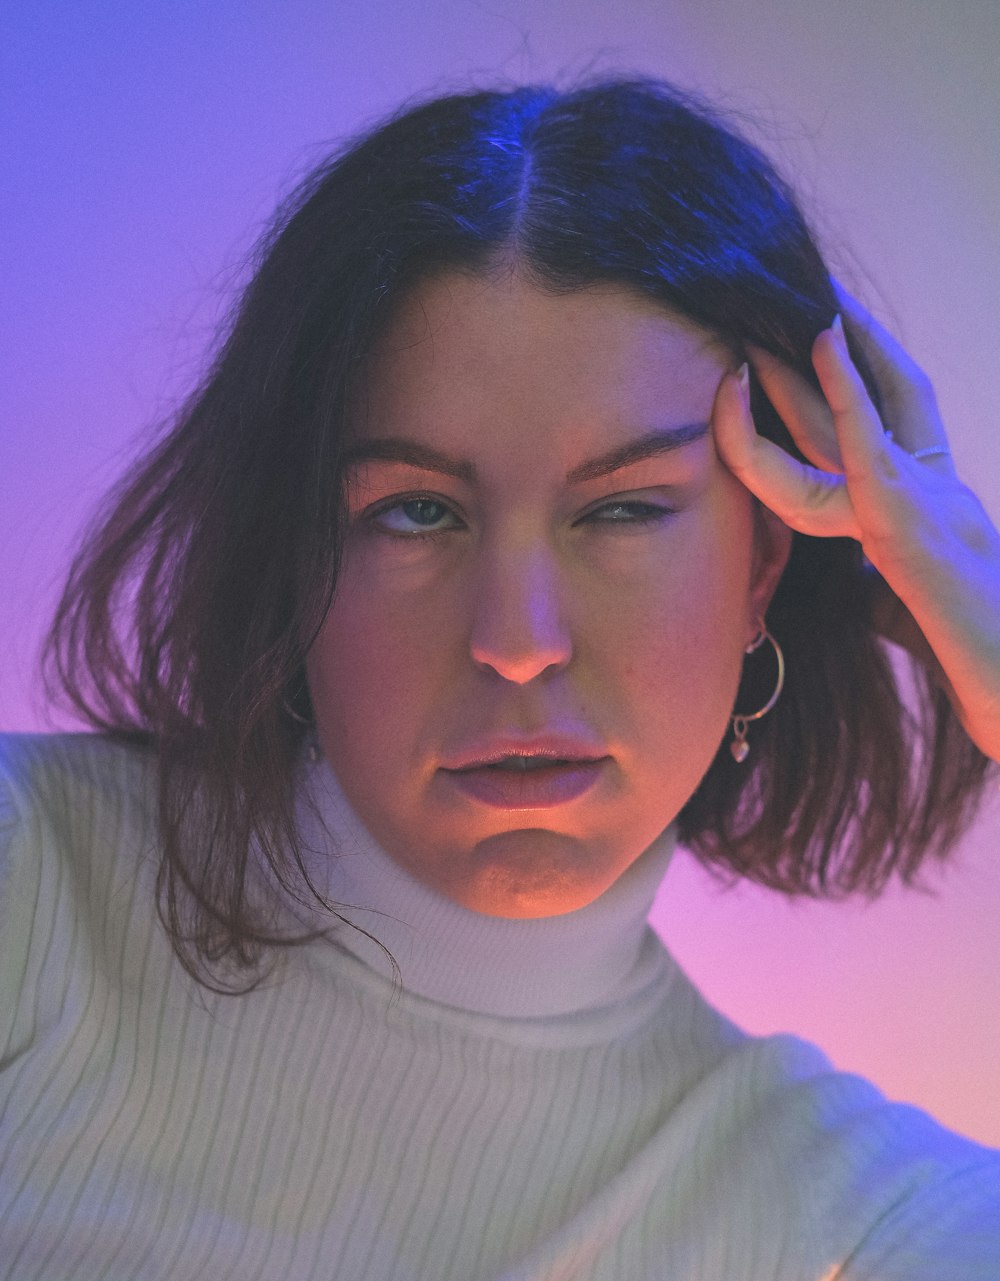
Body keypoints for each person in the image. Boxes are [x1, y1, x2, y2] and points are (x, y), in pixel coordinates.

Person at [1, 77, 999, 1280]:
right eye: (416, 513)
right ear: (293, 547)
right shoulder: (35, 889)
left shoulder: (849, 1216)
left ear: (760, 570)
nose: (518, 640)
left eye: (623, 510)